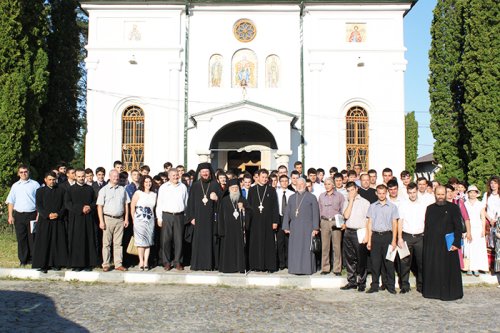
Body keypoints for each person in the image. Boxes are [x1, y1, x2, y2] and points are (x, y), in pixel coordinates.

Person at [422, 186, 463, 301]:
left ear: (446, 194)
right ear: (435, 194)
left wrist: (456, 243)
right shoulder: (429, 208)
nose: (440, 197)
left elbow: (458, 227)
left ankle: (449, 293)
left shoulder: (453, 208)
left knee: (447, 269)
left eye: (442, 194)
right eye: (438, 195)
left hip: (448, 245)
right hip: (433, 245)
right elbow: (427, 227)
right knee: (434, 268)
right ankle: (433, 292)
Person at [186, 163, 222, 271]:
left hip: (211, 219)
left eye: (206, 171)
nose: (205, 173)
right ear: (200, 173)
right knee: (199, 241)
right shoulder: (196, 185)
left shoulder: (215, 184)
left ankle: (210, 264)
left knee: (211, 240)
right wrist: (191, 217)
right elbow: (190, 202)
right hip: (198, 218)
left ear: (210, 172)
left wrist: (217, 198)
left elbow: (222, 201)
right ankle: (198, 264)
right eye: (203, 172)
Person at [283, 178, 320, 275]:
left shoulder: (311, 197)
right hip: (294, 227)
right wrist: (286, 226)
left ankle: (307, 269)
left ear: (305, 185)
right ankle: (295, 269)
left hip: (307, 227)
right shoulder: (291, 197)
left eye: (301, 184)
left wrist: (316, 228)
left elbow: (316, 213)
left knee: (306, 249)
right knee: (295, 249)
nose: (299, 186)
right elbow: (286, 212)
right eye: (297, 184)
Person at [32, 171, 68, 273]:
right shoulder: (40, 191)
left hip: (57, 220)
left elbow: (64, 205)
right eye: (50, 180)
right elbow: (38, 205)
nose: (52, 182)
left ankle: (56, 263)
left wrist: (58, 214)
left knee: (57, 241)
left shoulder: (61, 190)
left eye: (53, 180)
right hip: (45, 221)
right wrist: (47, 215)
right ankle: (43, 264)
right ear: (45, 180)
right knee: (44, 242)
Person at [366, 184, 399, 294]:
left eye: (383, 193)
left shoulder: (393, 207)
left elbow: (395, 224)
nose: (381, 195)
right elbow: (369, 223)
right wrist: (369, 240)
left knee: (389, 263)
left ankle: (390, 285)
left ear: (387, 193)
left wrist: (394, 240)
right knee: (375, 263)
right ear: (376, 193)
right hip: (375, 236)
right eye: (379, 193)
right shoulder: (372, 206)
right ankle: (374, 285)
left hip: (387, 236)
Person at [6, 165, 40, 266]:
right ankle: (23, 260)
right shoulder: (15, 186)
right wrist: (10, 216)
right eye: (21, 172)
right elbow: (11, 201)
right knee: (21, 238)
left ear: (28, 172)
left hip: (32, 214)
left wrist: (38, 215)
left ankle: (33, 259)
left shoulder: (35, 184)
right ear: (18, 174)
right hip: (19, 215)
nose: (23, 174)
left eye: (25, 172)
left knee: (32, 238)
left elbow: (39, 201)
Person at [65, 169, 99, 271]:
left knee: (88, 240)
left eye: (83, 176)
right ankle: (76, 264)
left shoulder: (90, 189)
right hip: (76, 219)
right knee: (76, 241)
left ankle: (88, 264)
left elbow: (95, 201)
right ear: (75, 177)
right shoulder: (70, 190)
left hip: (88, 219)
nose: (81, 178)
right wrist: (81, 209)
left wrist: (89, 207)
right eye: (79, 176)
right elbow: (67, 203)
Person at [97, 169, 130, 272]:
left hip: (120, 219)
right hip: (108, 219)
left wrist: (126, 218)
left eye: (117, 176)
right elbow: (99, 206)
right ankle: (106, 264)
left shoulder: (122, 189)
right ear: (110, 177)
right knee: (106, 243)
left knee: (118, 244)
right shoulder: (104, 190)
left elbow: (126, 204)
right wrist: (101, 221)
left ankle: (118, 264)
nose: (116, 178)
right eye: (114, 176)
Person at [341, 181, 370, 291]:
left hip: (360, 231)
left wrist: (367, 235)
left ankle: (361, 282)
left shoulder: (365, 202)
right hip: (349, 231)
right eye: (348, 191)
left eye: (352, 190)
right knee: (349, 258)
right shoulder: (346, 202)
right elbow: (346, 215)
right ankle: (351, 281)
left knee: (361, 258)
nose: (350, 193)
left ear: (356, 189)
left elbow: (368, 221)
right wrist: (351, 201)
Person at [247, 169, 279, 272]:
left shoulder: (271, 190)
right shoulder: (252, 190)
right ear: (258, 177)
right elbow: (249, 206)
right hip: (255, 222)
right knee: (255, 242)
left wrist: (275, 221)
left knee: (268, 243)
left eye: (266, 177)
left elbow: (275, 207)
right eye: (262, 177)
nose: (264, 179)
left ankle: (269, 266)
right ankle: (256, 265)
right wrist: (248, 221)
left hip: (268, 221)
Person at [156, 169, 188, 271]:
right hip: (167, 215)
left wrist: (185, 215)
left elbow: (186, 202)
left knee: (179, 240)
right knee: (166, 240)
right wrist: (159, 218)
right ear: (169, 176)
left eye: (177, 175)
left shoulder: (183, 187)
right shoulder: (163, 187)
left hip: (179, 216)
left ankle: (178, 262)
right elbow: (159, 203)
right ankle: (166, 262)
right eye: (173, 175)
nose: (175, 177)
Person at [218, 178, 251, 273]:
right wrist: (222, 230)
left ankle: (239, 267)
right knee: (228, 249)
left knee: (239, 248)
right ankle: (228, 268)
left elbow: (250, 213)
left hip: (239, 230)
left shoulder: (242, 199)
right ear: (229, 189)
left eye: (236, 188)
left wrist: (243, 209)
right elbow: (220, 216)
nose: (235, 190)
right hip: (228, 231)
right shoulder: (224, 201)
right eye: (232, 188)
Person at [398, 182, 425, 293]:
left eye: (414, 192)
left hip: (420, 237)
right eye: (410, 193)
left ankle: (421, 285)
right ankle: (404, 285)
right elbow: (400, 221)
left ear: (417, 191)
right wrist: (399, 238)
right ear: (407, 193)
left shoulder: (423, 204)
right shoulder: (403, 204)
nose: (412, 195)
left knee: (421, 262)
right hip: (406, 236)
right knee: (404, 262)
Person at [318, 177, 345, 275]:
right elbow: (319, 210)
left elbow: (342, 210)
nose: (327, 186)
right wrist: (319, 224)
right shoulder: (321, 196)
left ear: (333, 185)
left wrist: (342, 223)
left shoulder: (340, 196)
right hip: (324, 221)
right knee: (325, 246)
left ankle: (337, 268)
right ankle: (325, 268)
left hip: (335, 222)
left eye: (329, 184)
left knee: (336, 246)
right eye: (325, 184)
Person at [131, 175, 157, 271]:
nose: (148, 183)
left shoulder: (154, 194)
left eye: (149, 181)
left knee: (148, 242)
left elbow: (154, 208)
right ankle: (141, 261)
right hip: (139, 220)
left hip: (150, 220)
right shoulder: (138, 193)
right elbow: (132, 206)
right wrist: (133, 219)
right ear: (143, 183)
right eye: (146, 182)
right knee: (141, 242)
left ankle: (146, 262)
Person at [464, 185, 488, 275]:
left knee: (477, 248)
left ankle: (477, 268)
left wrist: (483, 229)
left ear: (477, 193)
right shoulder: (464, 204)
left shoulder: (480, 204)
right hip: (468, 228)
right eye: (471, 192)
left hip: (478, 228)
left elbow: (482, 217)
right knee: (468, 247)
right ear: (468, 193)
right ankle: (469, 267)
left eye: (474, 192)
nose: (472, 194)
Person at [276, 175, 294, 269]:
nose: (284, 183)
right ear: (279, 182)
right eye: (282, 181)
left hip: (289, 219)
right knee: (280, 242)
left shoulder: (292, 193)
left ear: (288, 182)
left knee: (288, 242)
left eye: (286, 181)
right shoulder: (276, 193)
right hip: (279, 218)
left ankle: (288, 262)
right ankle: (281, 263)